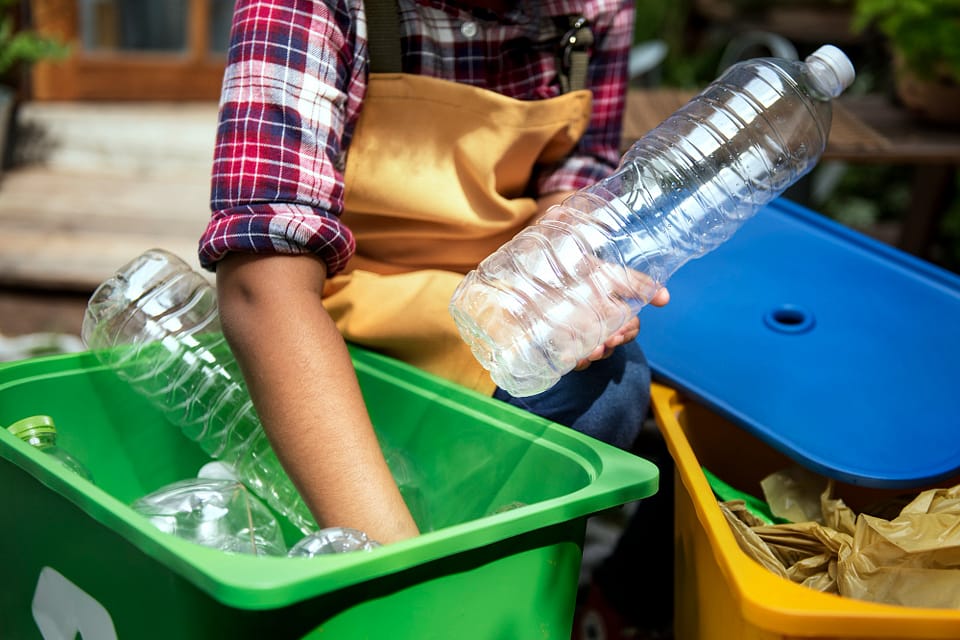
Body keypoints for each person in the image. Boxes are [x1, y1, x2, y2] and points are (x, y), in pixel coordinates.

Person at [199, 0, 669, 552]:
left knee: (609, 385)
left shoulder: (593, 9)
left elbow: (574, 173)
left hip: (490, 302)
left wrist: (568, 275)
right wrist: (395, 565)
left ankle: (486, 565)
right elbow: (262, 285)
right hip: (336, 310)